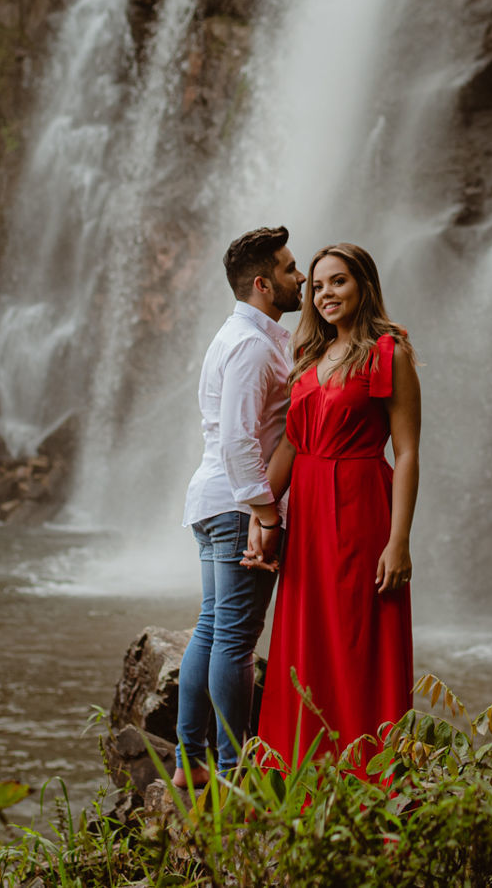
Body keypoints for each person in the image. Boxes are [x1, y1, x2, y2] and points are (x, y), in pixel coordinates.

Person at [249, 242, 421, 772]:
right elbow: (291, 443)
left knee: (360, 640)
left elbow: (407, 451)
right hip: (308, 517)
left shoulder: (389, 353)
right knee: (308, 642)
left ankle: (370, 775)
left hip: (362, 509)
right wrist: (260, 513)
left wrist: (398, 542)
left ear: (364, 285)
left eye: (338, 281)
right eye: (318, 285)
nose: (325, 294)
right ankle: (301, 776)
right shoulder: (308, 357)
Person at [173, 225, 305, 788]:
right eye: (289, 269)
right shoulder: (252, 345)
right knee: (235, 636)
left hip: (214, 500)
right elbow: (238, 441)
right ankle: (230, 770)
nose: (301, 277)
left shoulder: (243, 334)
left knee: (212, 627)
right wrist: (265, 513)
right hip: (236, 507)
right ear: (262, 284)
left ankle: (190, 763)